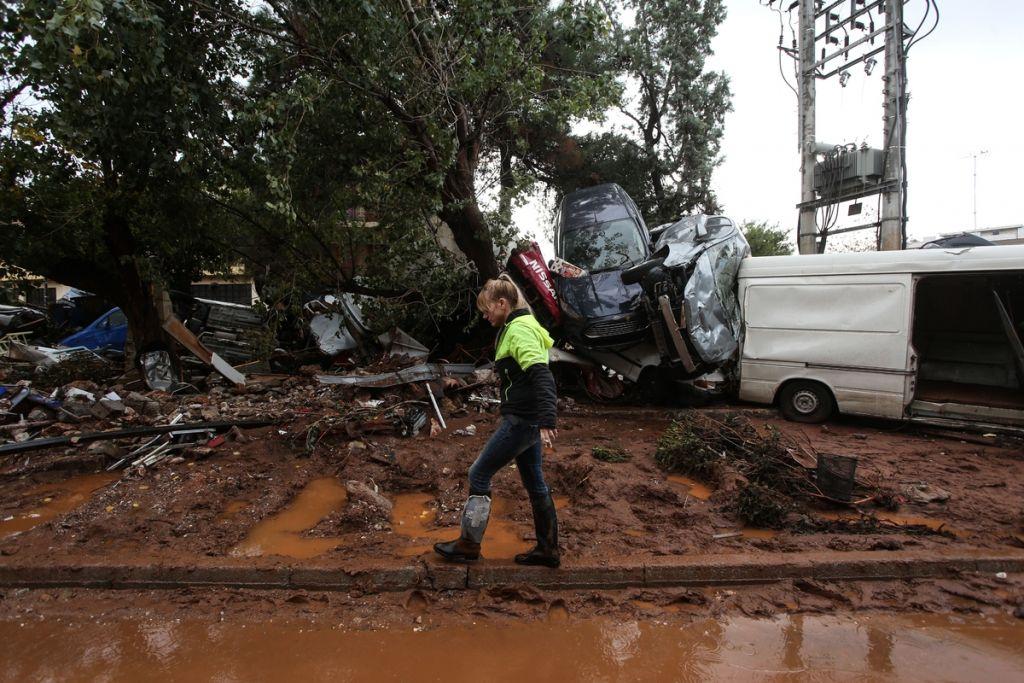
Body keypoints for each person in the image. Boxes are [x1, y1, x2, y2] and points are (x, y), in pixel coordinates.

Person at [434, 275, 560, 567]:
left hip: (521, 421)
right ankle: (548, 549)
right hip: (528, 420)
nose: (484, 314)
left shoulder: (518, 330)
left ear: (503, 303)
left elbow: (541, 374)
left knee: (478, 474)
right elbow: (511, 371)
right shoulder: (521, 326)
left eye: (487, 308)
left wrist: (547, 420)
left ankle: (468, 545)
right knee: (535, 483)